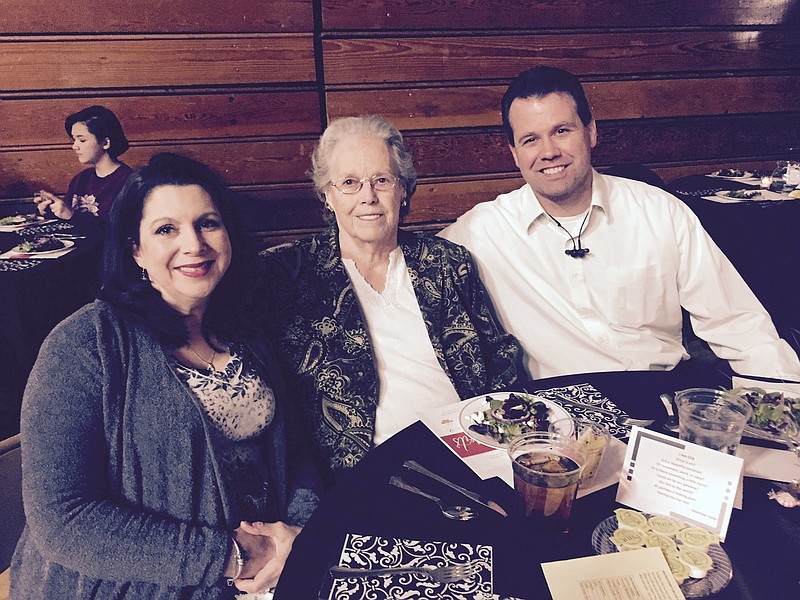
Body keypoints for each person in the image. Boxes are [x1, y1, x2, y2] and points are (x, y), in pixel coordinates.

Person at [12, 153, 319, 598]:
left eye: (208, 223)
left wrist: (296, 533)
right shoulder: (83, 345)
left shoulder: (246, 329)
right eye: (166, 229)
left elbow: (296, 451)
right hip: (131, 586)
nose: (194, 244)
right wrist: (231, 557)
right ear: (135, 249)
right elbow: (64, 518)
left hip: (264, 568)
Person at [440, 65, 800, 381]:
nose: (548, 151)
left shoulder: (660, 213)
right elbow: (399, 267)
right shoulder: (483, 230)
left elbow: (738, 325)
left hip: (661, 404)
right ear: (515, 154)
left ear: (591, 132)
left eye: (562, 130)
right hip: (554, 418)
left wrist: (787, 405)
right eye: (530, 139)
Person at [260, 115, 522, 479]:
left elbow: (502, 360)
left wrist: (504, 444)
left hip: (472, 456)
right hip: (366, 476)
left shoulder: (447, 263)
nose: (368, 196)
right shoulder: (287, 273)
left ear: (403, 190)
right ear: (328, 196)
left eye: (381, 180)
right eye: (350, 183)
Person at [34, 105, 132, 232]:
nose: (75, 146)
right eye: (74, 140)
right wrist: (51, 210)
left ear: (105, 143)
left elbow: (119, 234)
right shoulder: (81, 179)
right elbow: (70, 225)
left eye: (82, 140)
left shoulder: (128, 181)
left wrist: (71, 215)